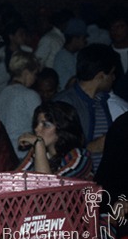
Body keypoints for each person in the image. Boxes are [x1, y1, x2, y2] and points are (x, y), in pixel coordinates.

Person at [54, 43, 128, 172]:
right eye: (111, 73)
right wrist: (91, 148)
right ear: (100, 76)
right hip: (76, 183)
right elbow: (55, 150)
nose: (113, 78)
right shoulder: (64, 103)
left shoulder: (101, 101)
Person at [16, 100, 92, 179]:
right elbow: (14, 180)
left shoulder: (80, 156)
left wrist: (39, 144)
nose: (36, 129)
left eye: (45, 125)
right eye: (36, 123)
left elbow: (48, 186)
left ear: (62, 129)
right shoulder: (38, 150)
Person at [0, 51, 42, 159]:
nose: (35, 79)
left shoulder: (2, 93)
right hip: (23, 154)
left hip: (5, 153)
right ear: (26, 73)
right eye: (34, 74)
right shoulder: (30, 95)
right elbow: (41, 126)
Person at [51, 17, 88, 90]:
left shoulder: (76, 54)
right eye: (83, 38)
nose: (85, 41)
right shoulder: (62, 58)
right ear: (75, 39)